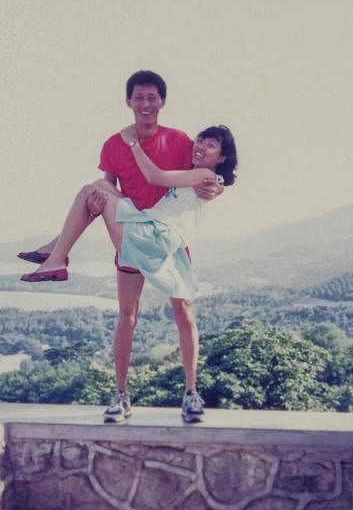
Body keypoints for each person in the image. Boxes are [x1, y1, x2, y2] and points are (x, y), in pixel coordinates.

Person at [17, 70, 227, 423]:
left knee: (184, 314)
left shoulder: (179, 140)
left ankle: (191, 393)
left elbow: (203, 173)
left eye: (152, 97)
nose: (146, 104)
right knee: (126, 317)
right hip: (131, 229)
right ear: (128, 101)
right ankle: (121, 395)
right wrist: (101, 204)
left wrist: (218, 186)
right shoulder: (113, 144)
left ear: (162, 101)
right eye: (139, 97)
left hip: (166, 239)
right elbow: (108, 187)